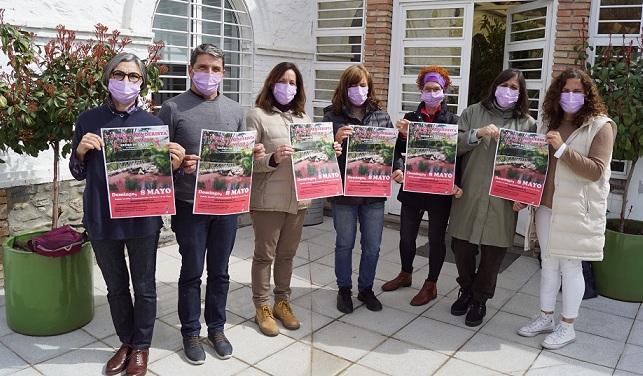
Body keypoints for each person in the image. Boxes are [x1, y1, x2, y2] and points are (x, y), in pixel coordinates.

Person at [70, 52, 185, 376]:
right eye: (119, 74)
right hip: (101, 218)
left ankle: (142, 347)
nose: (126, 81)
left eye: (133, 77)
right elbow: (77, 172)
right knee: (116, 287)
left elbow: (158, 180)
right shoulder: (88, 119)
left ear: (143, 83)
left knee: (145, 286)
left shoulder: (153, 125)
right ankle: (126, 341)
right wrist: (79, 151)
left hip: (142, 220)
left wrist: (172, 166)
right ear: (108, 79)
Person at [158, 44, 264, 364]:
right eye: (203, 67)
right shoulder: (172, 108)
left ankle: (216, 327)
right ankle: (190, 330)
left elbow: (242, 158)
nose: (209, 74)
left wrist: (253, 156)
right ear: (191, 70)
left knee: (220, 271)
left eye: (215, 69)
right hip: (189, 205)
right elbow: (157, 162)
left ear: (224, 73)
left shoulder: (236, 111)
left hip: (226, 205)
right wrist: (176, 163)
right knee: (192, 271)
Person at [517, 68, 616, 349]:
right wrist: (525, 192)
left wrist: (562, 149)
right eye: (565, 91)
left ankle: (567, 326)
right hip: (547, 206)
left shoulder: (601, 126)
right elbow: (538, 165)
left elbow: (596, 170)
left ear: (587, 94)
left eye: (577, 91)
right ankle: (546, 317)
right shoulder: (552, 121)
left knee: (571, 268)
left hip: (576, 210)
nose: (571, 96)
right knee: (548, 264)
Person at [247, 62, 342, 336]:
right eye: (282, 81)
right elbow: (248, 161)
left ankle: (282, 302)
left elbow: (311, 159)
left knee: (287, 255)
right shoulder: (257, 116)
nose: (287, 87)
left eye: (292, 83)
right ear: (271, 83)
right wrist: (273, 159)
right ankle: (262, 307)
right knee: (264, 256)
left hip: (299, 200)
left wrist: (329, 151)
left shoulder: (304, 119)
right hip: (268, 200)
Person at [448, 68, 536, 327]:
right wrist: (477, 133)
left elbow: (531, 165)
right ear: (495, 85)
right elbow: (453, 145)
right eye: (504, 85)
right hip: (470, 194)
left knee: (492, 255)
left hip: (502, 202)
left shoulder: (528, 124)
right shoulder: (473, 112)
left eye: (514, 88)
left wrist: (525, 197)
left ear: (520, 94)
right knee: (461, 248)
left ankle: (479, 300)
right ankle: (466, 289)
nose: (508, 91)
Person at [382, 66, 463, 306]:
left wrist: (455, 183)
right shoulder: (410, 118)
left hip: (439, 192)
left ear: (444, 91)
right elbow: (397, 150)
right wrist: (398, 167)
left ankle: (431, 284)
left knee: (436, 239)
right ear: (421, 90)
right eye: (427, 89)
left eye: (436, 89)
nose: (431, 93)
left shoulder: (452, 121)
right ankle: (406, 273)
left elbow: (458, 156)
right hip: (413, 189)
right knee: (407, 236)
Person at [323, 64, 394, 314]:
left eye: (363, 84)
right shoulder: (331, 117)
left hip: (373, 193)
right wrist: (335, 141)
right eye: (353, 84)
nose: (358, 89)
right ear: (345, 87)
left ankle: (366, 288)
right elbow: (320, 157)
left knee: (372, 245)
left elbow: (391, 153)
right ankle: (344, 289)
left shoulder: (381, 116)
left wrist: (397, 167)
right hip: (343, 193)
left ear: (370, 87)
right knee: (344, 243)